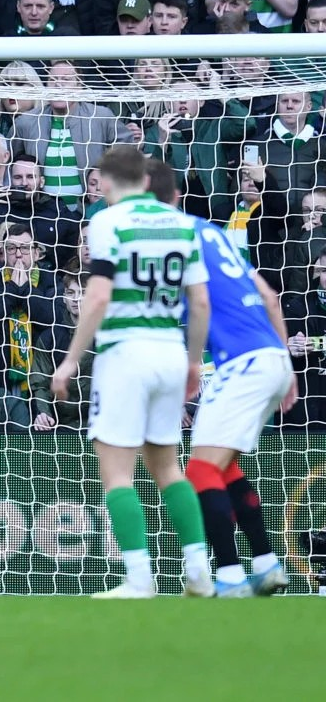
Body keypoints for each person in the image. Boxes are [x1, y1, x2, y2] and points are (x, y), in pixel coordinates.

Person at [51, 145, 212, 599]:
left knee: (118, 473)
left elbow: (98, 297)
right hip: (169, 350)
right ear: (145, 179)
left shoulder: (106, 221)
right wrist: (194, 361)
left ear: (103, 183)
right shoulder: (184, 224)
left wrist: (69, 361)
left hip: (124, 352)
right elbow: (200, 302)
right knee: (168, 468)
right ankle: (199, 570)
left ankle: (140, 578)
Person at [146, 160, 294, 597]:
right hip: (270, 355)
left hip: (241, 363)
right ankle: (266, 563)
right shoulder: (212, 232)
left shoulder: (168, 239)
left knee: (200, 469)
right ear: (176, 196)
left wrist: (192, 364)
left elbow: (201, 304)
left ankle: (228, 578)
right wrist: (285, 367)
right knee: (224, 465)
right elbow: (270, 296)